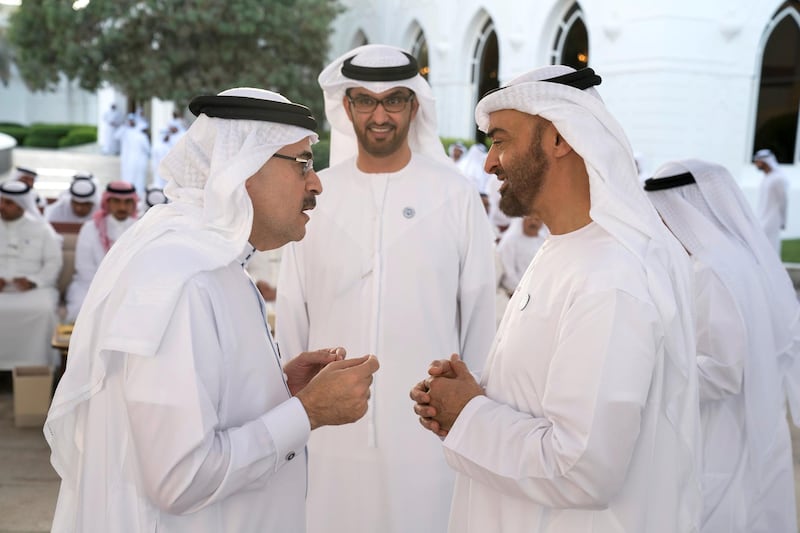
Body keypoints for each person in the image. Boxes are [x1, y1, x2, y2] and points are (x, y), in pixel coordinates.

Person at [44, 87, 379, 533]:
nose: (316, 183)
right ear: (240, 170)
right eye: (302, 164)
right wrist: (308, 412)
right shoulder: (179, 279)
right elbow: (180, 479)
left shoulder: (215, 265)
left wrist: (281, 389)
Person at [410, 65, 701, 533]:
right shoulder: (565, 250)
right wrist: (474, 393)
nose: (488, 163)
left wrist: (468, 413)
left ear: (559, 139)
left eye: (501, 140)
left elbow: (583, 470)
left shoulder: (612, 277)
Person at [276, 44, 497, 533]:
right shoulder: (315, 193)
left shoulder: (454, 194)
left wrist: (475, 417)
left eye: (394, 100)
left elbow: (480, 311)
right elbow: (293, 310)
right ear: (347, 106)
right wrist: (292, 416)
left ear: (414, 106)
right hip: (328, 429)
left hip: (429, 431)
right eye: (364, 100)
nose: (379, 115)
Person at [644, 159, 800, 533]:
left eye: (663, 215)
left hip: (720, 430)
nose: (660, 225)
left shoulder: (710, 270)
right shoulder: (738, 260)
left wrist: (649, 369)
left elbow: (723, 371)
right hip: (745, 421)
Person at [0, 180, 62, 370]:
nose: (2, 206)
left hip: (33, 289)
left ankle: (38, 367)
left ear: (22, 205)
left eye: (8, 203)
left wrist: (34, 281)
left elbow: (54, 262)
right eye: (1, 201)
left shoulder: (42, 229)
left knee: (43, 311)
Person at [64, 181, 139, 322]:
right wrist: (107, 290)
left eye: (127, 202)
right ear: (107, 202)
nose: (122, 207)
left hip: (130, 287)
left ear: (133, 203)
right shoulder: (90, 228)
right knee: (84, 312)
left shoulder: (141, 228)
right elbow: (84, 269)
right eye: (116, 201)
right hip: (89, 287)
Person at [496, 214, 547, 297]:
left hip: (541, 291)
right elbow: (508, 272)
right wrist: (523, 292)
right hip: (517, 293)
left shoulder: (544, 241)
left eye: (537, 220)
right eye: (529, 219)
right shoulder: (510, 242)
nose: (533, 222)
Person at [752, 149, 788, 254]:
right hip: (762, 218)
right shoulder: (767, 178)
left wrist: (783, 221)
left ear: (764, 161)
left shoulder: (778, 179)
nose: (755, 164)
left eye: (757, 161)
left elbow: (783, 201)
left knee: (771, 248)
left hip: (772, 220)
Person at [116, 114, 151, 195]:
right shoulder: (126, 131)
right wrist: (123, 126)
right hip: (129, 158)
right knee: (131, 175)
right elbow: (116, 136)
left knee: (135, 176)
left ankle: (132, 190)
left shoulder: (136, 133)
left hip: (133, 159)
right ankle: (131, 190)